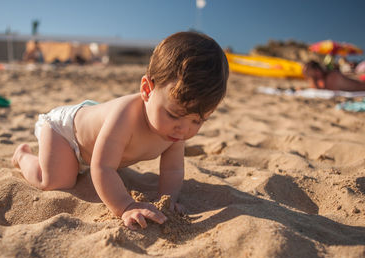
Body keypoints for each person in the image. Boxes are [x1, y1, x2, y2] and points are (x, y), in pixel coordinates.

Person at [12, 32, 229, 230]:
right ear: (147, 90)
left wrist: (168, 200)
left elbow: (172, 171)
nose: (184, 128)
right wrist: (125, 206)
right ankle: (22, 155)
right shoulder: (125, 116)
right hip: (65, 132)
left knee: (94, 167)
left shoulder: (176, 131)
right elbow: (103, 167)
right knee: (57, 182)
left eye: (198, 121)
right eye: (173, 114)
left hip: (95, 143)